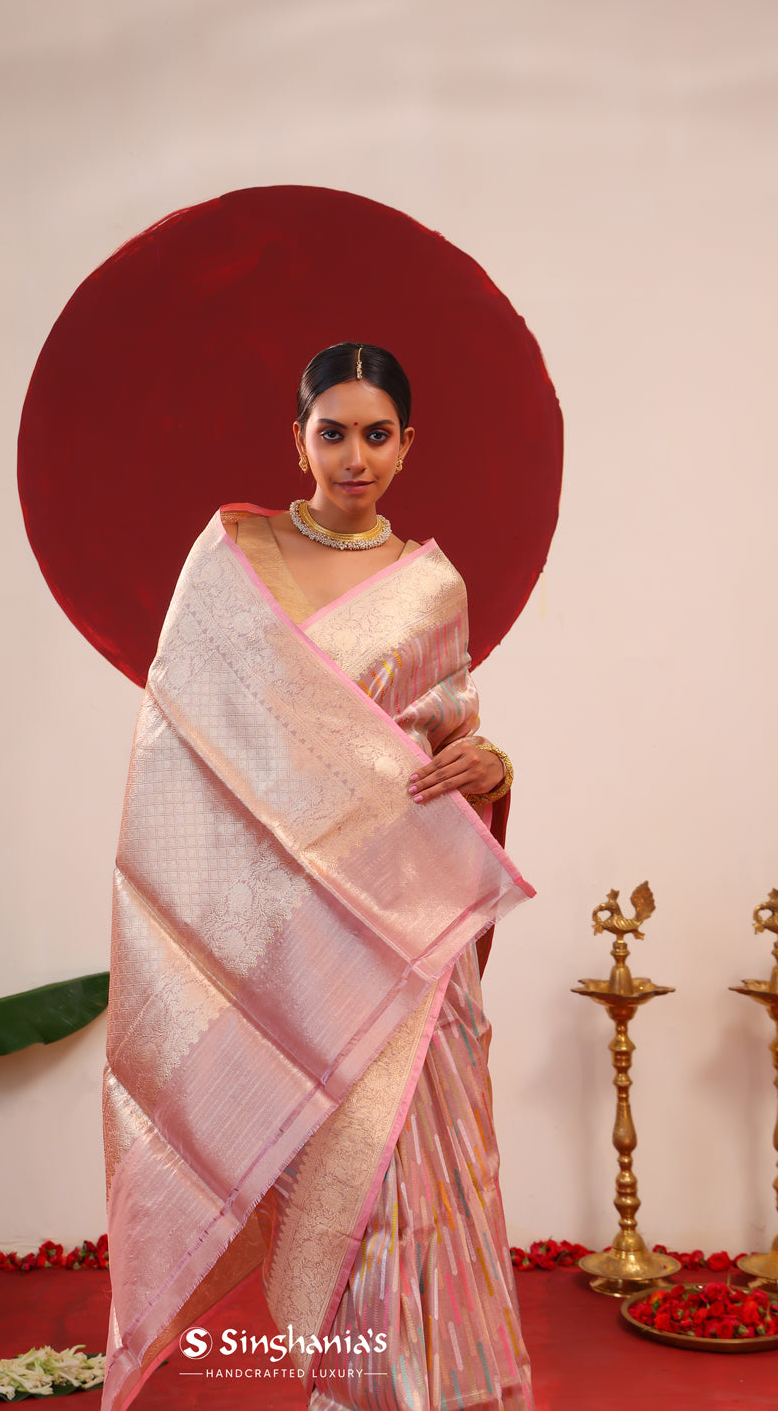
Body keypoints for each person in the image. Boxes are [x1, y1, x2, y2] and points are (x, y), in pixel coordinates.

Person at [102, 342, 534, 1411]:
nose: (354, 456)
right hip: (291, 929)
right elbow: (184, 748)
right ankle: (350, 1391)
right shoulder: (232, 560)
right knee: (334, 1181)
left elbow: (445, 746)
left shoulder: (432, 587)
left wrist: (495, 767)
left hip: (403, 923)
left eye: (376, 434)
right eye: (332, 431)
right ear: (294, 437)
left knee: (417, 1171)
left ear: (406, 444)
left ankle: (437, 1390)